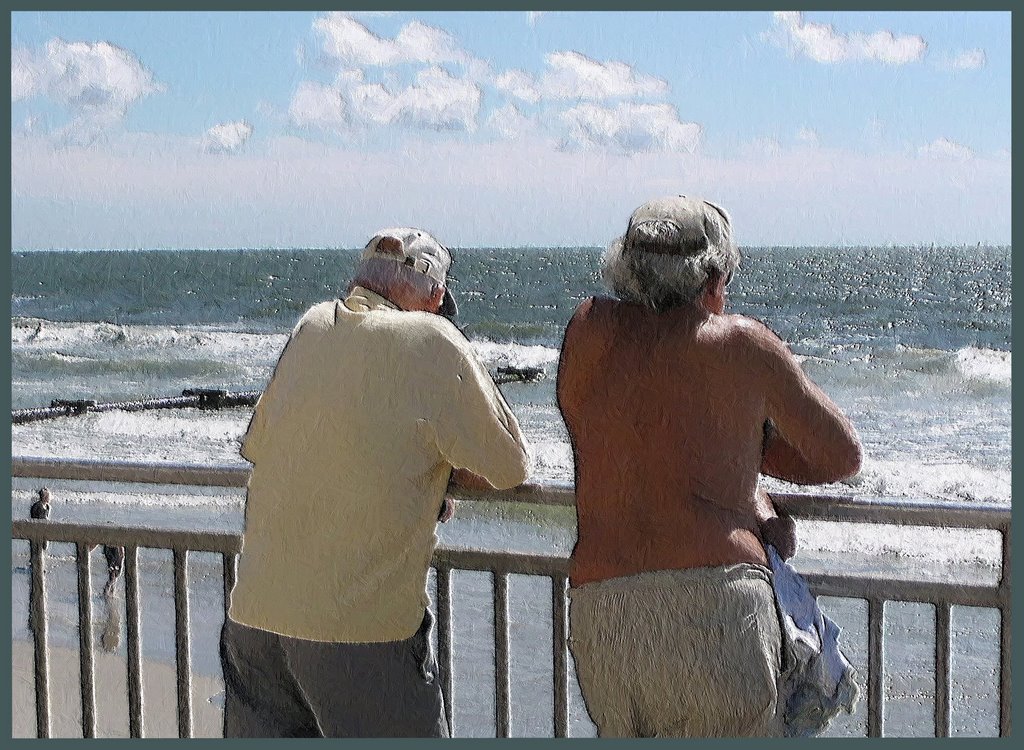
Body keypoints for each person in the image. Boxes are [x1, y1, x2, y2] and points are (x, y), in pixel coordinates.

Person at [556, 196, 862, 737]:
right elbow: (840, 454)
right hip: (716, 610)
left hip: (604, 611)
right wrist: (751, 463)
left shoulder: (587, 332)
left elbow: (645, 436)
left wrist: (740, 468)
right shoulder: (741, 345)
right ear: (714, 276)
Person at [221, 228, 531, 737]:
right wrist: (442, 470)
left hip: (256, 618)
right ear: (433, 295)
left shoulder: (313, 326)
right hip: (359, 628)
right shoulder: (433, 340)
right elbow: (512, 464)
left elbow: (258, 445)